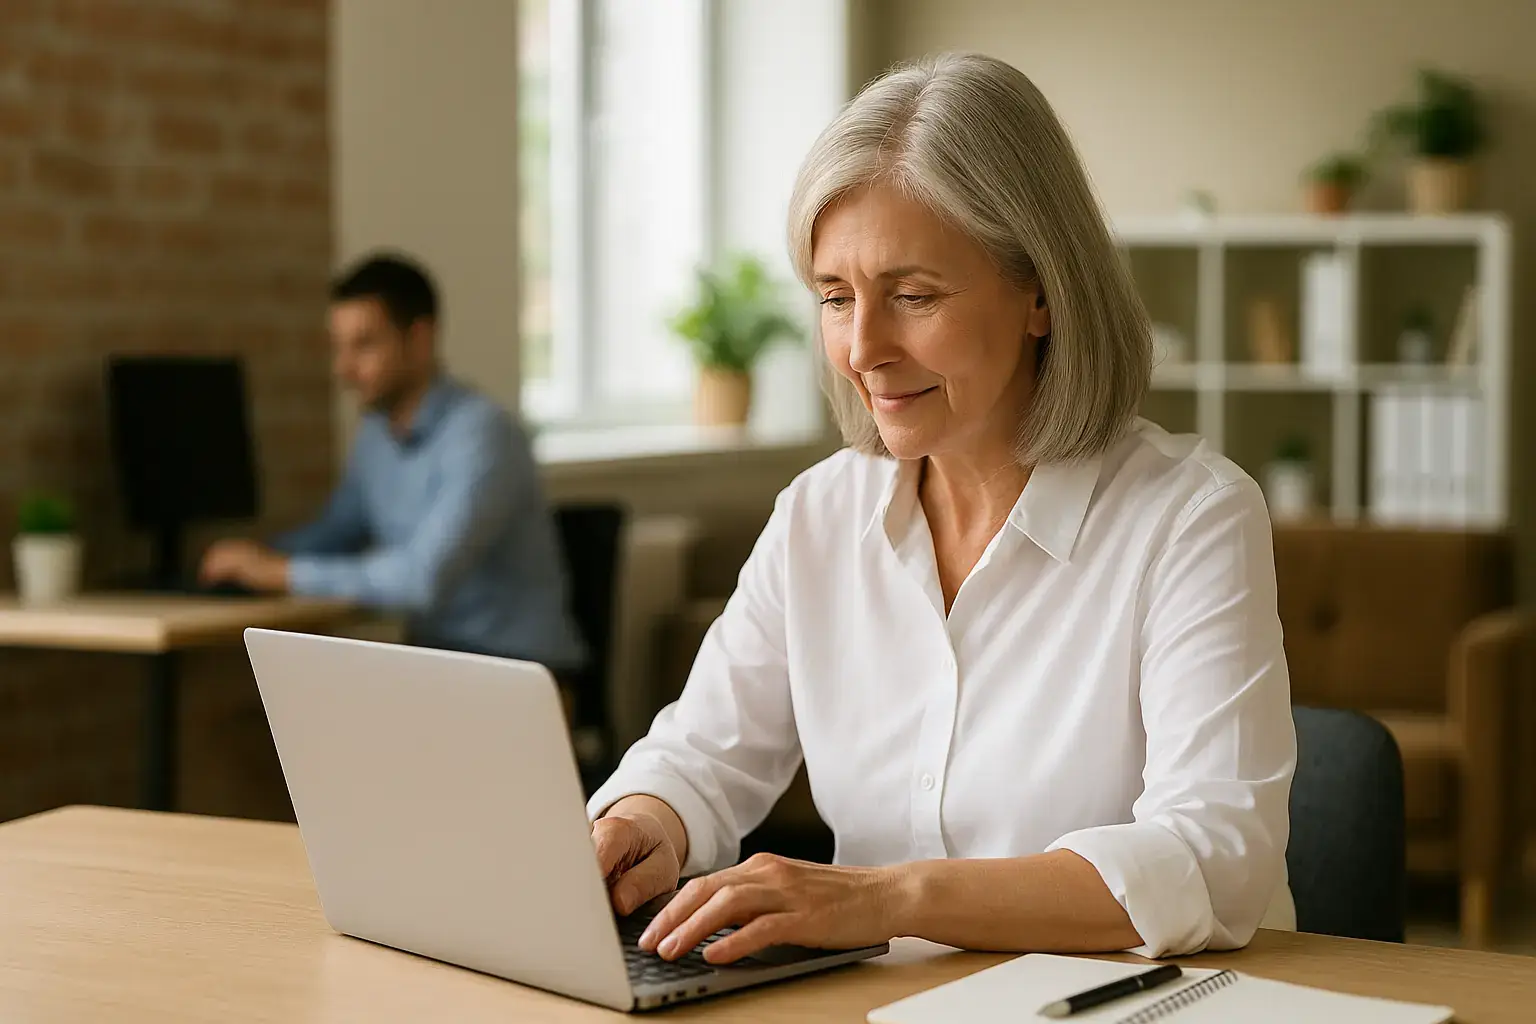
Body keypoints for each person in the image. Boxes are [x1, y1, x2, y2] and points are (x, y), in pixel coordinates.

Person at [588, 53, 1295, 967]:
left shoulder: (1191, 519)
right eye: (836, 299)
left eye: (914, 296)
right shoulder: (819, 516)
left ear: (1042, 290)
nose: (864, 349)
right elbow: (700, 756)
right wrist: (648, 820)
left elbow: (1213, 858)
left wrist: (885, 896)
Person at [199, 253, 586, 673]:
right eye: (338, 347)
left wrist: (281, 573)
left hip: (522, 672)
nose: (344, 368)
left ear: (419, 340)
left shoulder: (482, 435)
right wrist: (253, 559)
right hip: (438, 662)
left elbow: (422, 579)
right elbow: (338, 530)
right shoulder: (377, 438)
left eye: (364, 345)